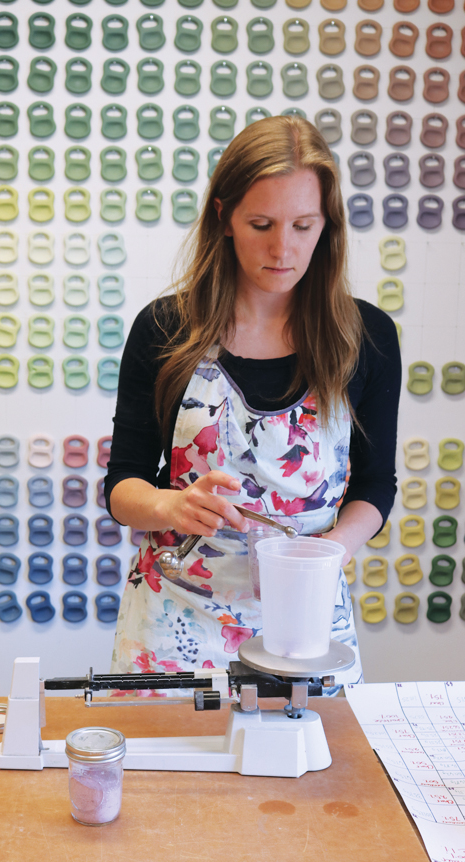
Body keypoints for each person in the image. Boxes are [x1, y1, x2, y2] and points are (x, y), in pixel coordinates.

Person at [104, 116, 401, 688]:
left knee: (309, 775)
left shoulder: (365, 336)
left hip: (307, 626)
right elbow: (123, 484)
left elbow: (374, 487)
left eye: (303, 225)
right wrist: (171, 508)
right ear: (224, 218)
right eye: (260, 223)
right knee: (173, 778)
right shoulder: (165, 329)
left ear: (327, 225)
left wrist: (329, 554)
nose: (282, 247)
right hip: (174, 619)